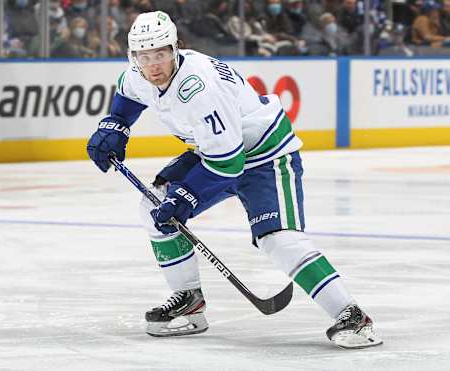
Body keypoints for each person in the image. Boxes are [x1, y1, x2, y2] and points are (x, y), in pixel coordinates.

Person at [86, 10, 383, 349]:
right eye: (144, 56)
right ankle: (189, 301)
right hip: (214, 152)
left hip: (265, 156)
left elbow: (228, 163)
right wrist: (115, 125)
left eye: (161, 54)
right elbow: (128, 96)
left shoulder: (200, 88)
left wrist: (185, 198)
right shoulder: (139, 74)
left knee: (278, 240)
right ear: (133, 56)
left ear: (175, 48)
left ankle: (353, 316)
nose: (153, 64)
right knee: (153, 205)